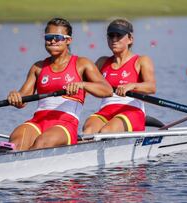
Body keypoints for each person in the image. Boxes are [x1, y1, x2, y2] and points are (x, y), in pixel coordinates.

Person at [8, 18, 112, 151]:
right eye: (49, 37)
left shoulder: (82, 64)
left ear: (68, 40)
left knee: (42, 143)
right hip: (38, 121)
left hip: (65, 124)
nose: (52, 41)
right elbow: (22, 101)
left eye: (57, 37)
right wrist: (15, 96)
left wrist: (82, 85)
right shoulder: (38, 67)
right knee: (15, 141)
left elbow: (107, 90)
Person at [83, 19, 156, 134]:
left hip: (132, 111)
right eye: (111, 36)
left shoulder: (141, 61)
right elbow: (85, 88)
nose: (114, 40)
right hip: (106, 111)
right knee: (88, 131)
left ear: (130, 39)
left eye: (119, 36)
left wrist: (131, 86)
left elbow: (151, 87)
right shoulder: (102, 62)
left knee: (107, 131)